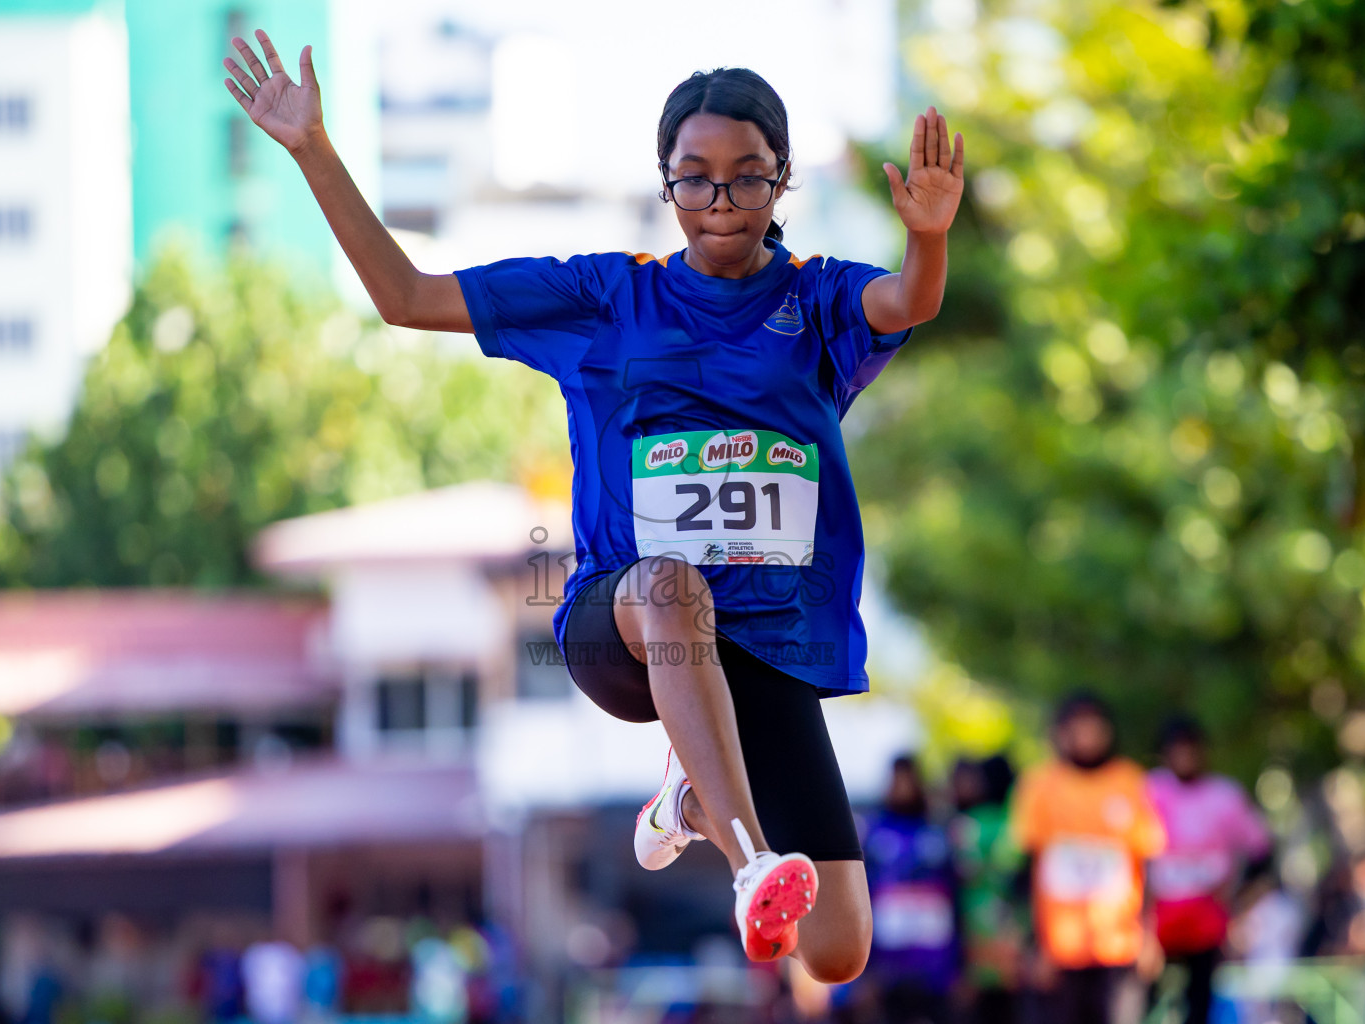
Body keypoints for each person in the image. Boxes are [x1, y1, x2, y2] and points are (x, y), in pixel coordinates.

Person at [222, 31, 963, 980]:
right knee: (668, 582)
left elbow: (906, 302)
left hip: (769, 642)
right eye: (695, 177)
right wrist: (313, 150)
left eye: (746, 176)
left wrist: (929, 236)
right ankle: (746, 866)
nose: (721, 200)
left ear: (781, 184)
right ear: (666, 184)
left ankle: (694, 799)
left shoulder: (816, 303)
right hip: (622, 621)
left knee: (838, 951)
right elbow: (406, 295)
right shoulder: (603, 298)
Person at [1011, 693, 1165, 1024]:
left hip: (1119, 946)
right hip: (1058, 951)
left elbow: (1147, 862)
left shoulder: (1130, 781)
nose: (1087, 736)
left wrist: (1150, 936)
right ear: (1061, 732)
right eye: (1077, 727)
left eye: (1094, 727)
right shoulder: (1039, 785)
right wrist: (1033, 945)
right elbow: (1026, 869)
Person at [1145, 716, 1271, 1024]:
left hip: (1207, 924)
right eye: (1177, 750)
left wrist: (1239, 903)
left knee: (1200, 1005)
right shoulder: (1148, 792)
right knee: (1146, 1002)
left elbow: (1262, 853)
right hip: (1156, 924)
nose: (1185, 758)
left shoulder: (1225, 796)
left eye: (1191, 749)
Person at [857, 755, 960, 1024]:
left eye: (908, 779)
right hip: (888, 968)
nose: (902, 787)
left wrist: (960, 967)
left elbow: (956, 900)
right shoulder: (873, 835)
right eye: (896, 780)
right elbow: (861, 900)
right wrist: (866, 972)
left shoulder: (939, 834)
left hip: (936, 968)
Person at [951, 755, 1026, 1024]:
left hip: (976, 937)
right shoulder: (1018, 822)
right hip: (1014, 937)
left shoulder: (968, 824)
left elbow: (961, 875)